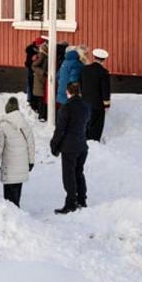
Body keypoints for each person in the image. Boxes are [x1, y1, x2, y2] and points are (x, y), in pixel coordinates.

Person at [50, 82, 91, 214]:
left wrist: (54, 145)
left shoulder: (66, 108)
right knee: (79, 172)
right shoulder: (85, 107)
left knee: (69, 175)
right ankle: (82, 199)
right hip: (82, 145)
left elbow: (60, 130)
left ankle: (71, 203)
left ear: (68, 92)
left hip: (69, 147)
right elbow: (87, 124)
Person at [0, 97, 35, 207]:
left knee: (8, 197)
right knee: (17, 192)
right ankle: (17, 209)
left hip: (9, 165)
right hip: (21, 165)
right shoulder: (24, 123)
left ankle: (11, 213)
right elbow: (31, 143)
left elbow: (0, 146)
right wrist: (31, 161)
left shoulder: (3, 125)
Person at [80, 48, 111, 140]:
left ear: (94, 57)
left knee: (86, 121)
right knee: (97, 123)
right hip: (97, 103)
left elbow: (81, 84)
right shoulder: (104, 72)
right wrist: (106, 104)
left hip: (85, 100)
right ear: (104, 60)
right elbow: (105, 89)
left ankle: (84, 137)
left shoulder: (85, 69)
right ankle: (94, 140)